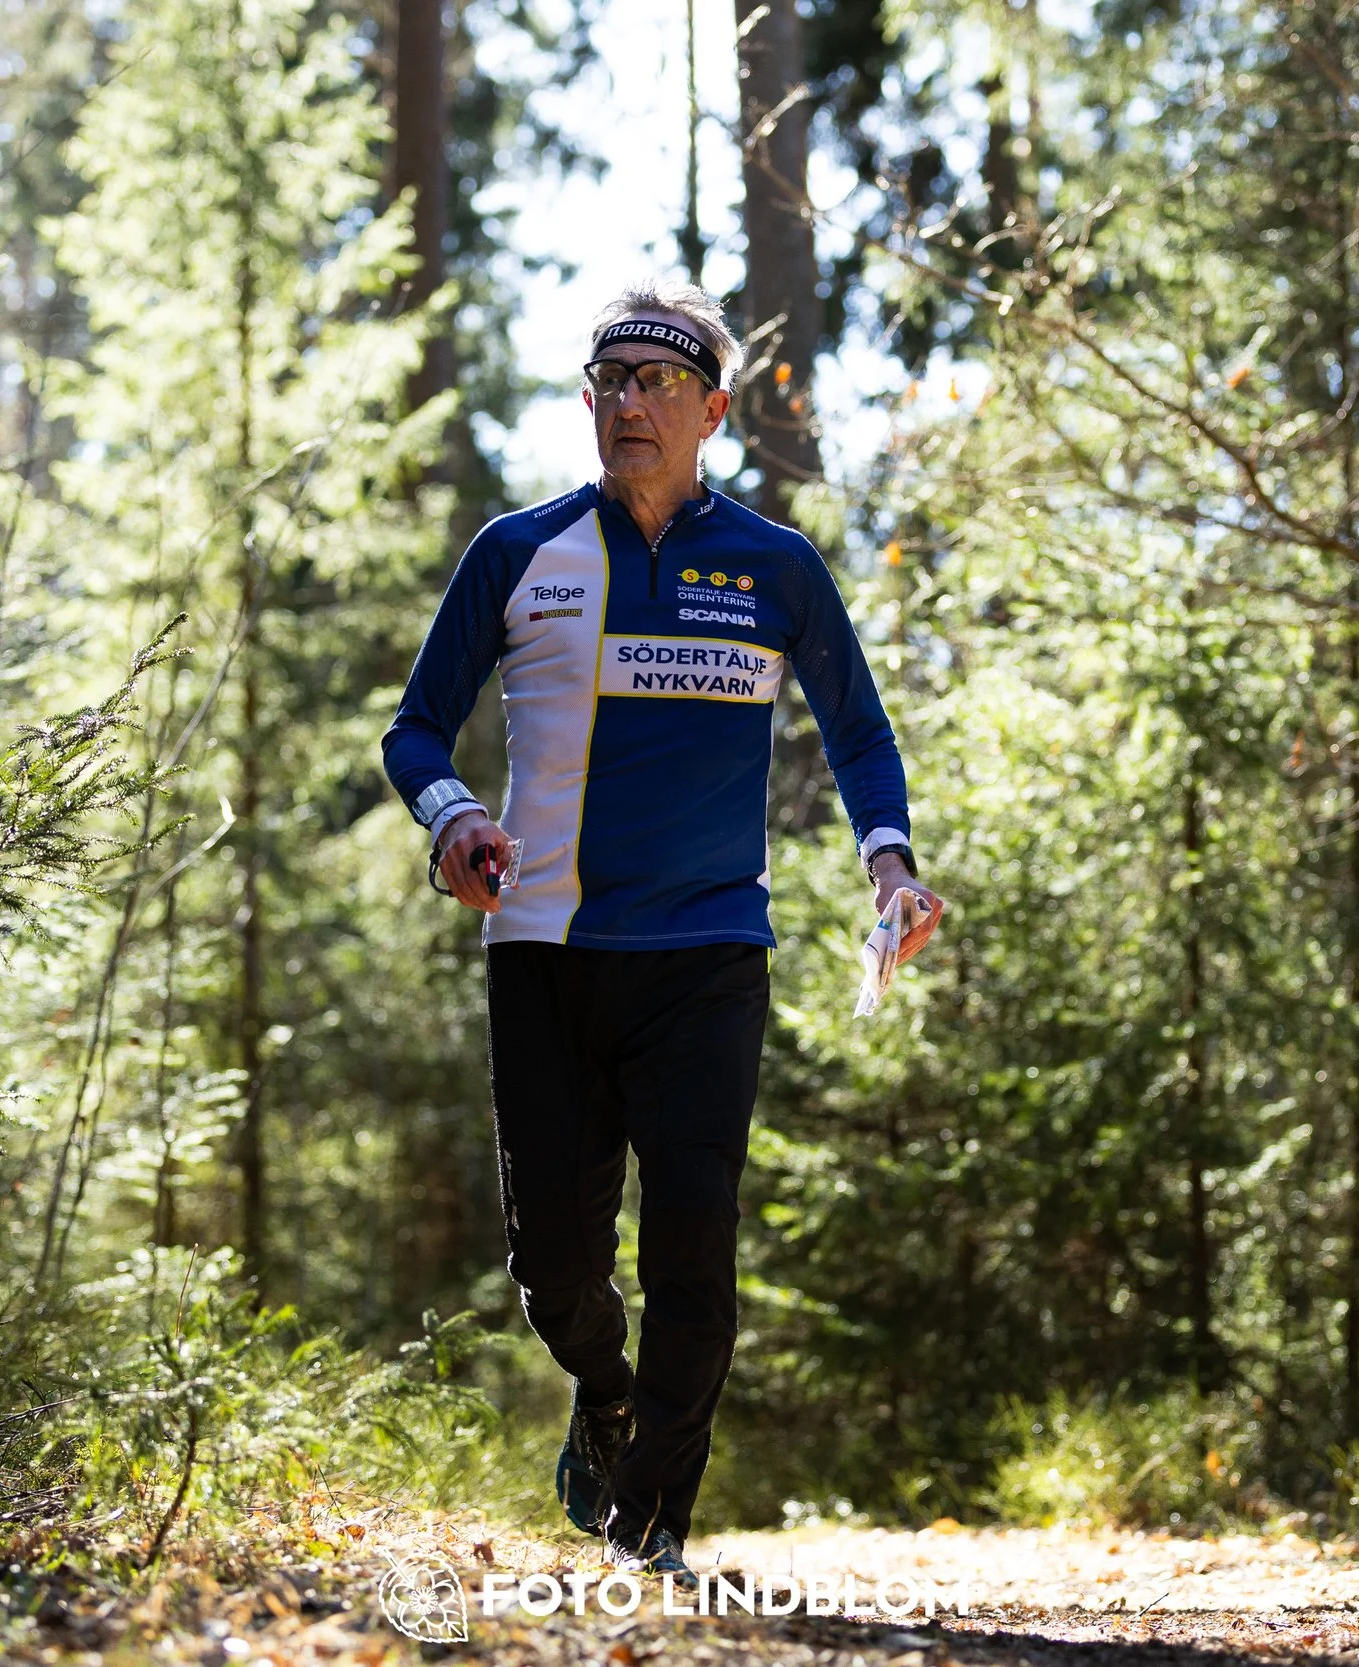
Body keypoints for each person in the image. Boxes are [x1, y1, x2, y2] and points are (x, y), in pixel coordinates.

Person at [381, 280, 942, 1587]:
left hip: (705, 960)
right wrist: (458, 818)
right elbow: (416, 727)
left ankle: (650, 1522)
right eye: (611, 381)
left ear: (713, 410)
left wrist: (890, 862)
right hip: (543, 952)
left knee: (695, 1243)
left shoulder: (776, 566)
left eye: (658, 382)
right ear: (588, 404)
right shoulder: (518, 553)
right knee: (557, 1275)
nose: (632, 402)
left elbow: (857, 731)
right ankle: (601, 1383)